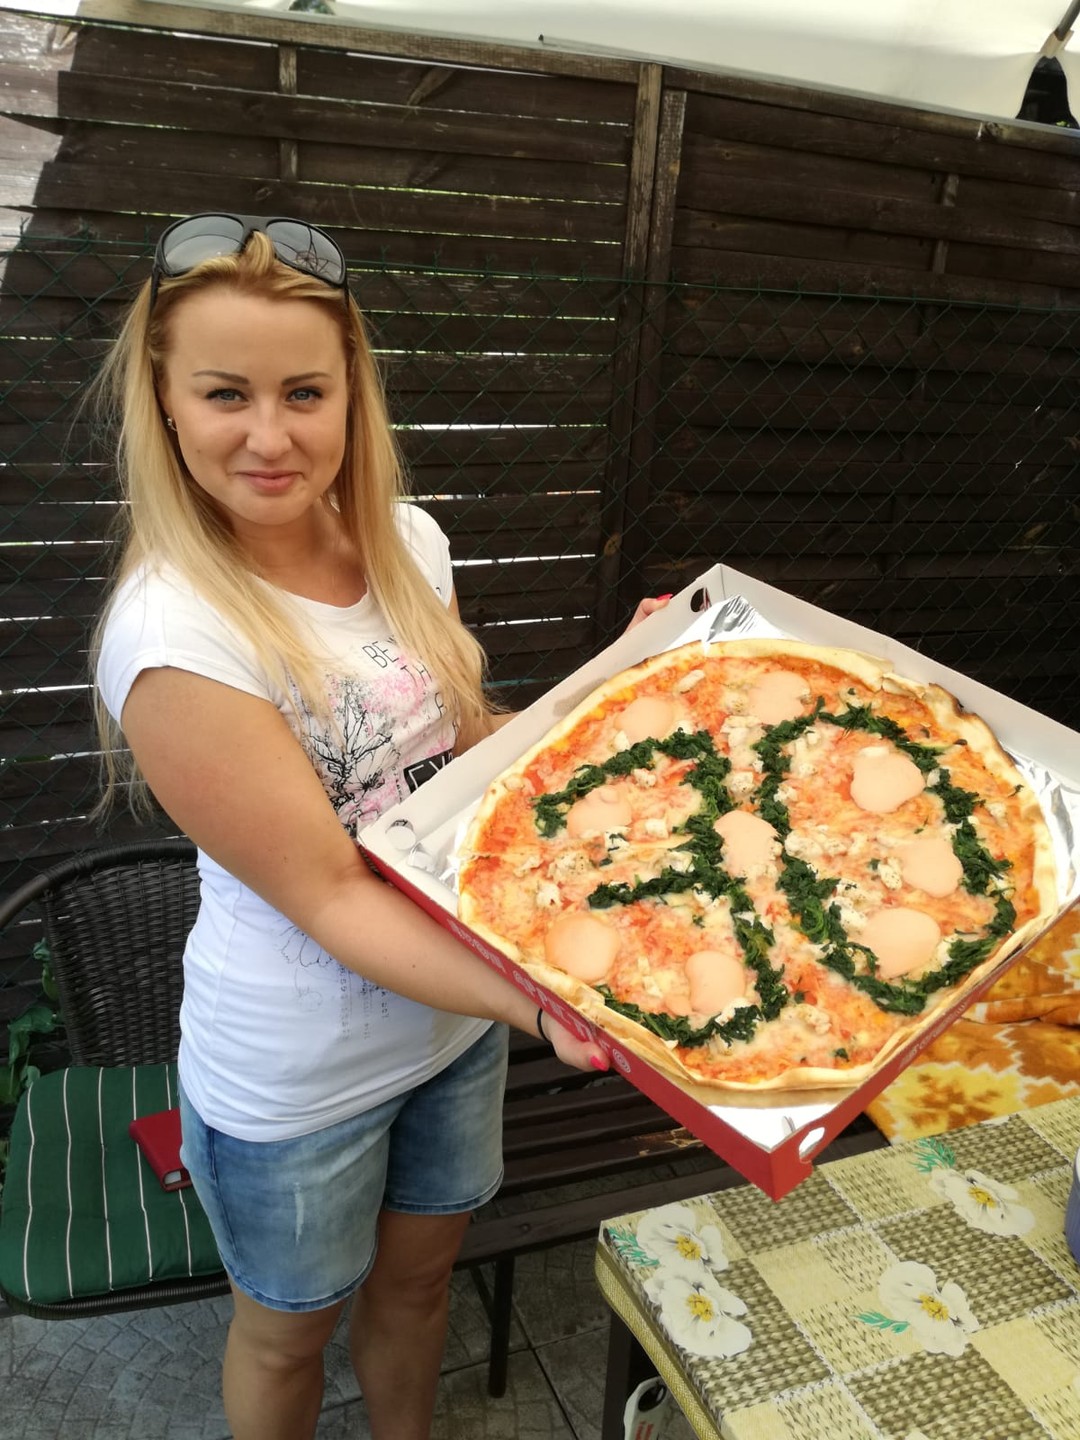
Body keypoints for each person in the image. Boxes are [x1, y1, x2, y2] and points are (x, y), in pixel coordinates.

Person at [91, 213, 669, 1440]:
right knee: (285, 1339)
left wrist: (620, 681)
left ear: (352, 391)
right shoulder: (174, 637)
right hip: (299, 1080)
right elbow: (333, 891)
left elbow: (462, 759)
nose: (270, 435)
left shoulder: (406, 541)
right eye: (226, 393)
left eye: (305, 392)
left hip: (451, 1026)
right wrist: (546, 1004)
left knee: (417, 1291)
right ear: (167, 403)